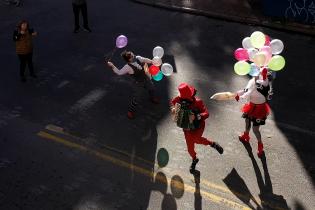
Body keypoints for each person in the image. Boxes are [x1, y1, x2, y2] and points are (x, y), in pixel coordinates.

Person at [171, 83, 224, 174]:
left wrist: (196, 116)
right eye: (184, 98)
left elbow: (206, 113)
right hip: (187, 128)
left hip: (198, 126)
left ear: (192, 94)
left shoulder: (198, 102)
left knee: (196, 139)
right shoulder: (177, 100)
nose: (187, 100)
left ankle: (212, 144)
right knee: (190, 149)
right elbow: (173, 105)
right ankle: (195, 159)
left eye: (188, 97)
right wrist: (173, 110)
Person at [107, 50, 159, 119]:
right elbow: (119, 72)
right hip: (138, 83)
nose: (133, 56)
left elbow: (145, 60)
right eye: (131, 56)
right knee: (137, 98)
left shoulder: (138, 58)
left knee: (151, 87)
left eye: (132, 54)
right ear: (128, 60)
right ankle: (131, 112)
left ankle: (152, 98)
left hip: (145, 78)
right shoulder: (127, 67)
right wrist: (112, 65)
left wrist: (152, 62)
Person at [235, 68, 273, 158]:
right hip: (251, 106)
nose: (255, 74)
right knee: (247, 122)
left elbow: (248, 93)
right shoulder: (254, 82)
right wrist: (237, 94)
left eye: (257, 73)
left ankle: (260, 145)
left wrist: (240, 97)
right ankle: (246, 135)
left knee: (255, 129)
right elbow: (246, 90)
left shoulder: (263, 83)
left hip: (259, 109)